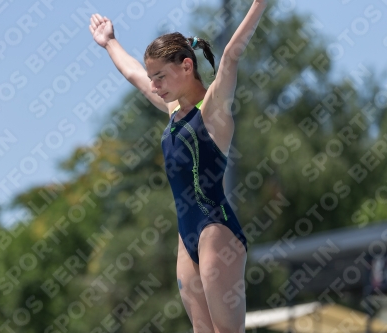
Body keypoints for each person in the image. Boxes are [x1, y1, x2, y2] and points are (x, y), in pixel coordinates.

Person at [89, 1, 267, 332]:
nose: (154, 85)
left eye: (160, 76)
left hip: (217, 230)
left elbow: (230, 55)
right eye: (153, 77)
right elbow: (132, 72)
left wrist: (258, 4)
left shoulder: (212, 109)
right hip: (187, 238)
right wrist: (109, 41)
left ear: (187, 66)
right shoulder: (173, 110)